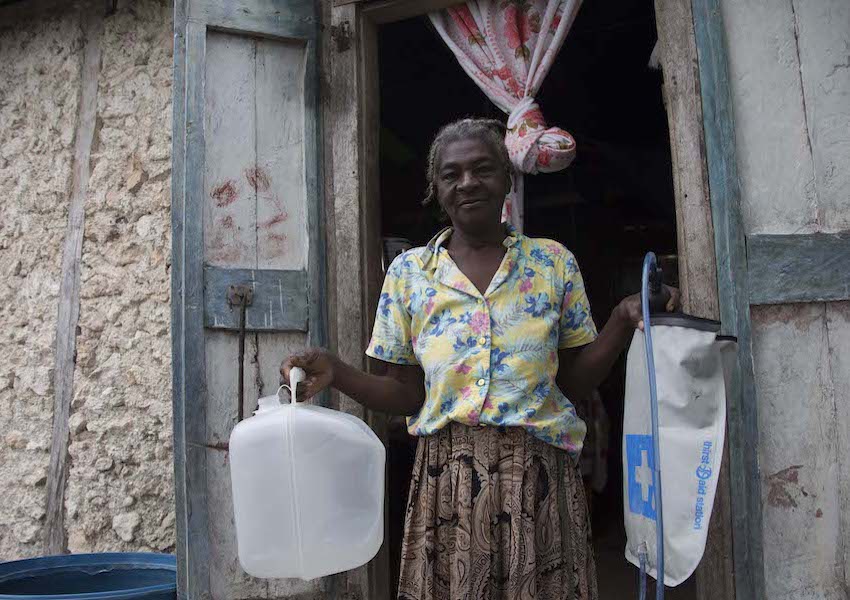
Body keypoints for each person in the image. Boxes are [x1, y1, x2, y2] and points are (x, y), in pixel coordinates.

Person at [280, 118, 680, 600]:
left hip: (539, 478)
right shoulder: (410, 275)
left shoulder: (552, 263)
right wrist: (337, 370)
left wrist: (619, 322)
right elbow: (406, 393)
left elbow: (571, 386)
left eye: (482, 169)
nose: (467, 182)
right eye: (451, 174)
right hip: (447, 483)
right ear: (436, 188)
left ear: (507, 179)